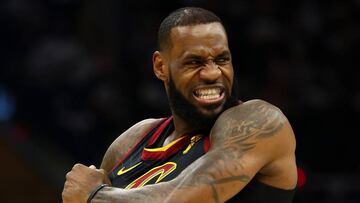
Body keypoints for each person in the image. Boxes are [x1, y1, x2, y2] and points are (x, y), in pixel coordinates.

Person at [62, 7, 298, 203]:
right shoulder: (132, 141)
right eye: (194, 62)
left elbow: (180, 199)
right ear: (161, 67)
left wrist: (94, 196)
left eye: (221, 59)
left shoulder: (260, 121)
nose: (212, 73)